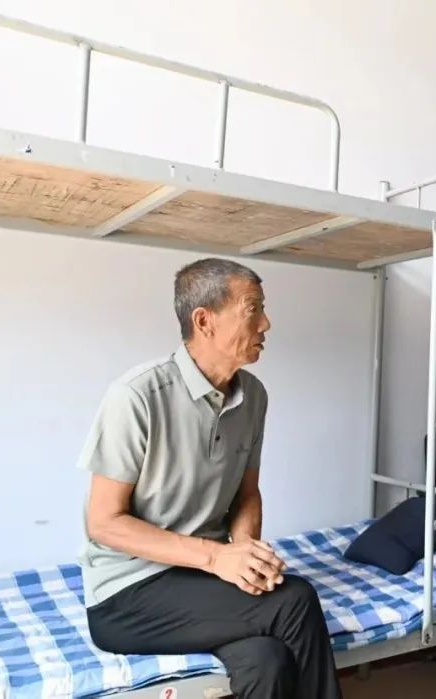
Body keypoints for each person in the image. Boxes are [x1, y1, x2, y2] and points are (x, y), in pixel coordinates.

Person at [78, 258, 342, 699]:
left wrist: (245, 556)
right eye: (253, 308)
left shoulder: (253, 396)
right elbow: (104, 523)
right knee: (295, 601)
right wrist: (217, 558)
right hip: (127, 593)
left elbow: (247, 494)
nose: (266, 323)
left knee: (266, 660)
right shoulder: (136, 396)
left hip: (201, 580)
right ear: (205, 321)